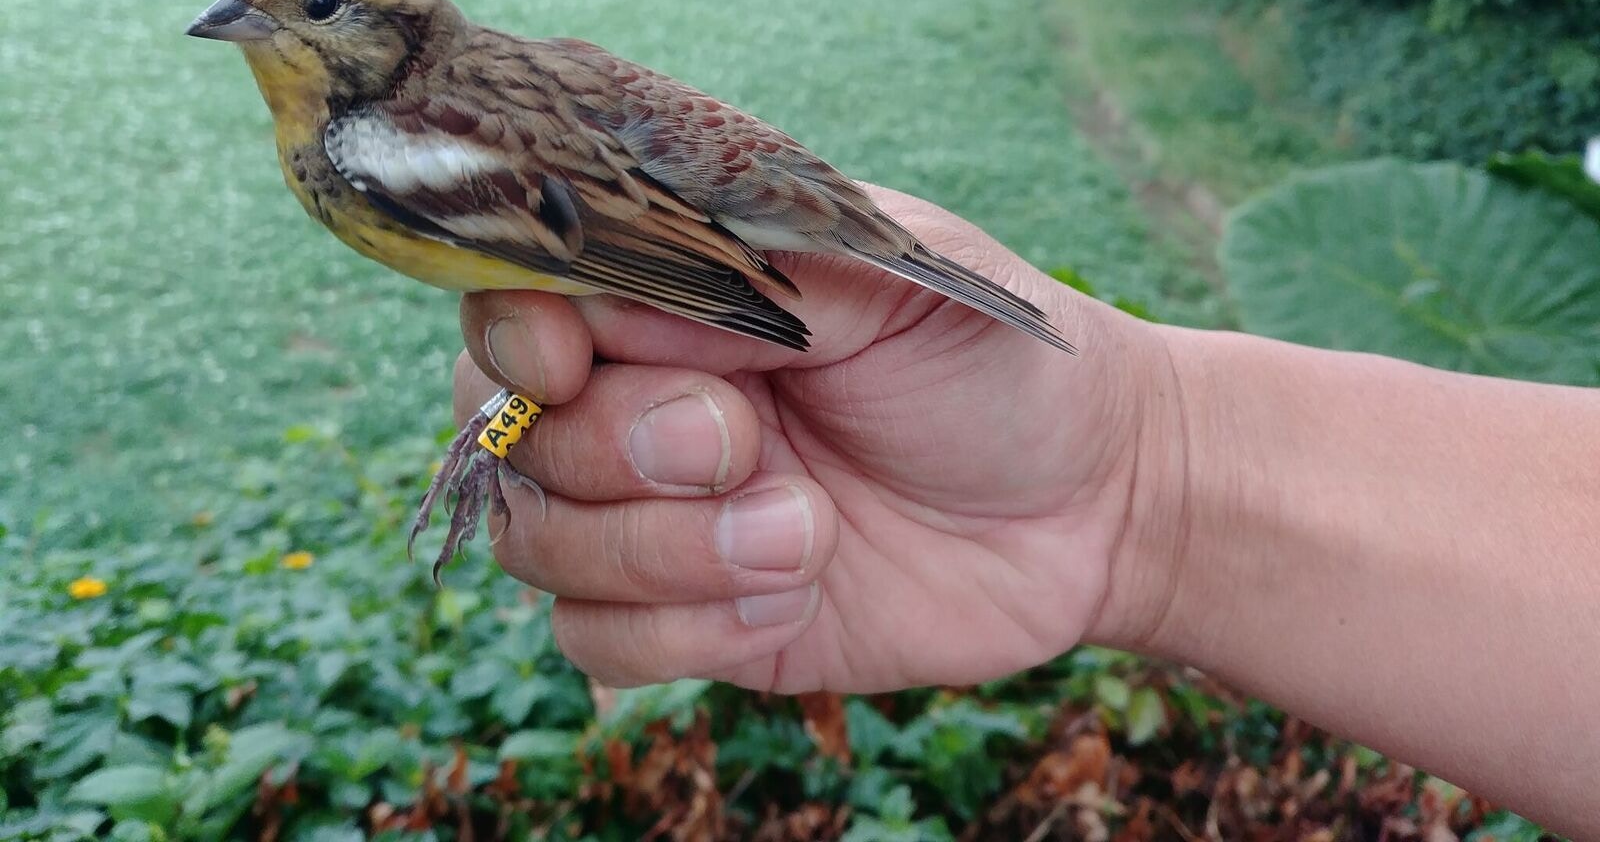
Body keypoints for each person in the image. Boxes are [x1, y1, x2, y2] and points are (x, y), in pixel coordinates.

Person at [452, 185, 1600, 838]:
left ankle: (504, 420)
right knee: (552, 360)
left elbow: (618, 270)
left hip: (656, 271)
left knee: (559, 354)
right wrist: (1137, 472)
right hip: (645, 288)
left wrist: (1141, 479)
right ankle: (504, 421)